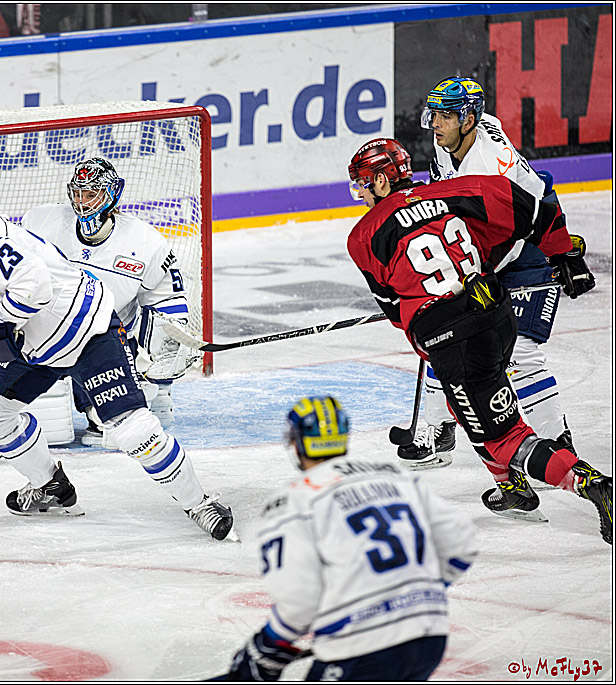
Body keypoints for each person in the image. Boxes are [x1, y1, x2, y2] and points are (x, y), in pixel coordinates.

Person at [0, 170, 234, 540]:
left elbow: (34, 285)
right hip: (36, 344)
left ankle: (200, 502)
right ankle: (52, 488)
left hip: (85, 328)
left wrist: (3, 322)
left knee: (131, 429)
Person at [345, 137, 611, 543]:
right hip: (496, 314)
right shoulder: (460, 189)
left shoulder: (364, 236)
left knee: (505, 438)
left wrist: (430, 337)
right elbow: (537, 210)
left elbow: (394, 308)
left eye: (361, 184)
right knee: (465, 399)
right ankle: (511, 488)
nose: (359, 194)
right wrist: (563, 254)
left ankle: (594, 485)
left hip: (458, 337)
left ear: (381, 180)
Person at [225, 396, 477, 681]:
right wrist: (419, 595)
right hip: (430, 636)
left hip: (363, 646)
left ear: (295, 443)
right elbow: (462, 543)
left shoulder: (291, 502)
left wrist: (269, 642)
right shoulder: (393, 476)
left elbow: (299, 601)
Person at [399, 76, 576, 479]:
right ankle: (438, 429)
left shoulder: (493, 163)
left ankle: (557, 442)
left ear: (468, 120)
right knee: (441, 335)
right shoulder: (451, 145)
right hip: (486, 248)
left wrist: (560, 254)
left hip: (526, 247)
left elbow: (532, 212)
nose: (435, 124)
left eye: (445, 115)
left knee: (524, 354)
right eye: (436, 114)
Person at [21, 157, 200, 445]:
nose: (82, 202)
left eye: (91, 194)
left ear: (112, 194)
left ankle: (157, 390)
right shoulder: (42, 223)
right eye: (77, 193)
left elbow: (167, 299)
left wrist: (173, 341)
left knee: (111, 423)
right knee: (40, 426)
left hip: (106, 340)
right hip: (45, 335)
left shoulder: (145, 242)